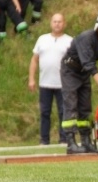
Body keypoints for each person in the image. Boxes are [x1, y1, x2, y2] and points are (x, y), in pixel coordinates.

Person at [59, 10, 98, 154]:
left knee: (85, 106)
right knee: (71, 104)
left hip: (84, 73)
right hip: (70, 70)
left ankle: (86, 141)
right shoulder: (86, 38)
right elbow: (88, 63)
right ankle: (71, 143)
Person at [29, 13, 72, 145]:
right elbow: (34, 60)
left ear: (64, 23)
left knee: (63, 112)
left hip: (63, 84)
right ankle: (44, 140)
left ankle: (64, 139)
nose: (57, 24)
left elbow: (75, 62)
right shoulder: (42, 39)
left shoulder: (70, 41)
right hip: (45, 83)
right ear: (50, 23)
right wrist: (31, 79)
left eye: (60, 21)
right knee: (44, 112)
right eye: (54, 21)